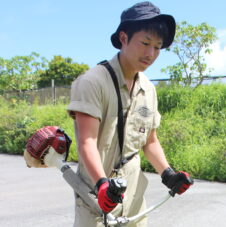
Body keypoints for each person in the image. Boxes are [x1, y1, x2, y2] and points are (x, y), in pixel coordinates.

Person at [67, 2, 193, 227]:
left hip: (133, 195)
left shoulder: (148, 88)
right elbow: (87, 143)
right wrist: (102, 184)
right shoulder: (93, 82)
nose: (151, 53)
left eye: (157, 47)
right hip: (96, 196)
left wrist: (168, 174)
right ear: (123, 38)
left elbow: (150, 141)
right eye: (145, 43)